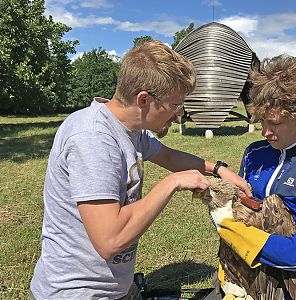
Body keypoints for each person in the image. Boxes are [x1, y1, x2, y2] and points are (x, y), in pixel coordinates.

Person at [29, 40, 251, 300]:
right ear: (144, 99)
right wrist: (172, 183)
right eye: (175, 105)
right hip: (76, 292)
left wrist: (218, 169)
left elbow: (167, 155)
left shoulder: (130, 130)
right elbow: (110, 240)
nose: (179, 115)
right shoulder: (93, 138)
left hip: (111, 287)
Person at [212, 57, 296, 298]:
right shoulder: (254, 153)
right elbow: (244, 214)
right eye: (262, 121)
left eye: (275, 122)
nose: (265, 132)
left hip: (293, 286)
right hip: (243, 278)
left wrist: (237, 237)